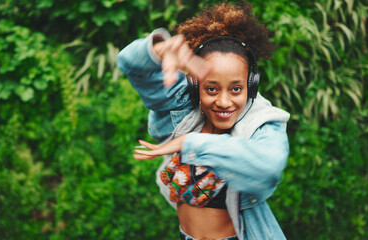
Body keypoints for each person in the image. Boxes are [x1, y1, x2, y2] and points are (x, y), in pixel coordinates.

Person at [117, 2, 290, 240]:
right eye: (211, 89)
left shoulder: (262, 124)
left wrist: (192, 143)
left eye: (236, 89)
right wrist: (158, 49)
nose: (223, 101)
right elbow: (130, 64)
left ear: (250, 86)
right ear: (196, 85)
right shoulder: (185, 106)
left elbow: (268, 168)